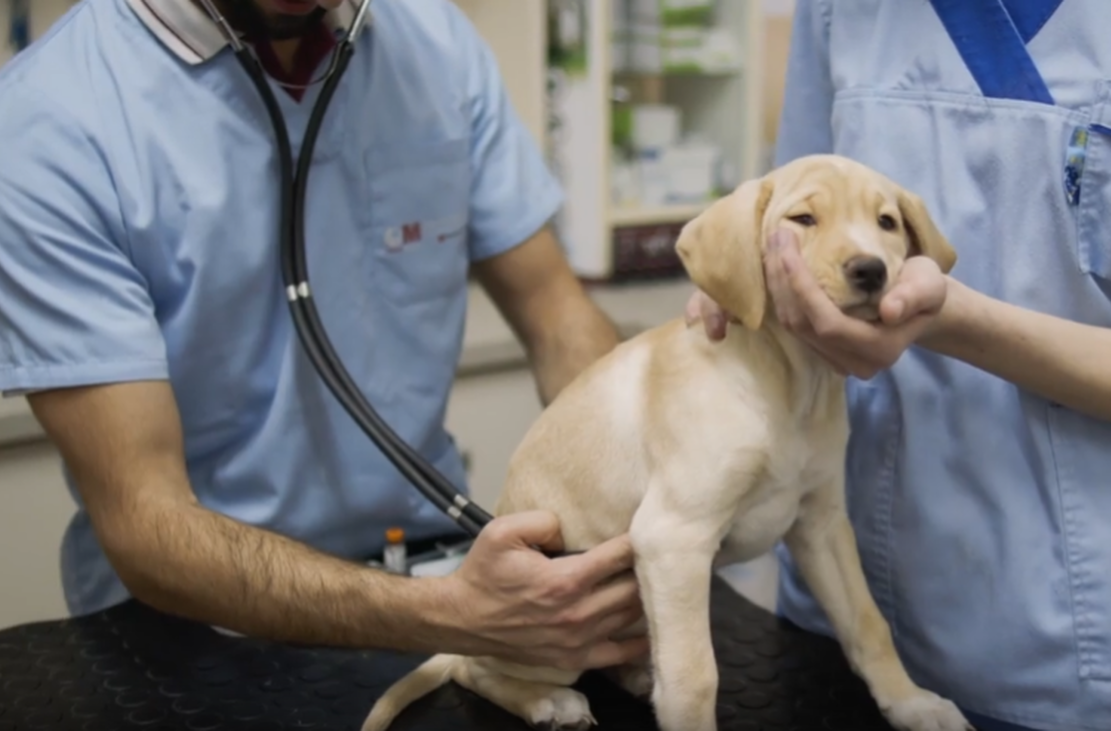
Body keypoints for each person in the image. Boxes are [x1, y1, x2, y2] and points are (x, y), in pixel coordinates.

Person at [687, 2, 1111, 730]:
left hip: (1085, 657)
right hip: (841, 623)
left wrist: (960, 325)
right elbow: (792, 222)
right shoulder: (840, 11)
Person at [0, 0, 648, 672]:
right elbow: (147, 521)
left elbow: (555, 313)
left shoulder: (433, 44)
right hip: (197, 632)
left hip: (443, 571)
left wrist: (648, 471)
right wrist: (464, 614)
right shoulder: (49, 121)